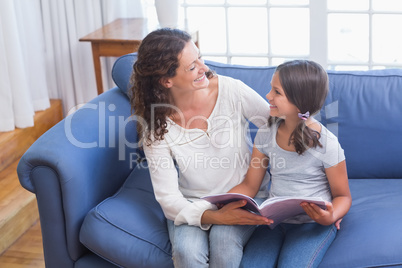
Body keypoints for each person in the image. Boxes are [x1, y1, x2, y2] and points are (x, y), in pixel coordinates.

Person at [129, 28, 272, 268]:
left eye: (200, 57)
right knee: (186, 252)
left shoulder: (231, 90)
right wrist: (214, 215)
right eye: (192, 66)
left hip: (245, 195)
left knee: (223, 245)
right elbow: (169, 198)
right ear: (167, 80)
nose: (204, 67)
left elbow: (276, 125)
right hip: (193, 201)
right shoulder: (156, 126)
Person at [228, 60, 352, 268]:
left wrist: (330, 216)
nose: (268, 96)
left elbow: (343, 196)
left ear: (298, 101)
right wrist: (224, 203)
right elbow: (250, 185)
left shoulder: (327, 143)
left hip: (313, 224)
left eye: (277, 92)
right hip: (274, 222)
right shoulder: (266, 133)